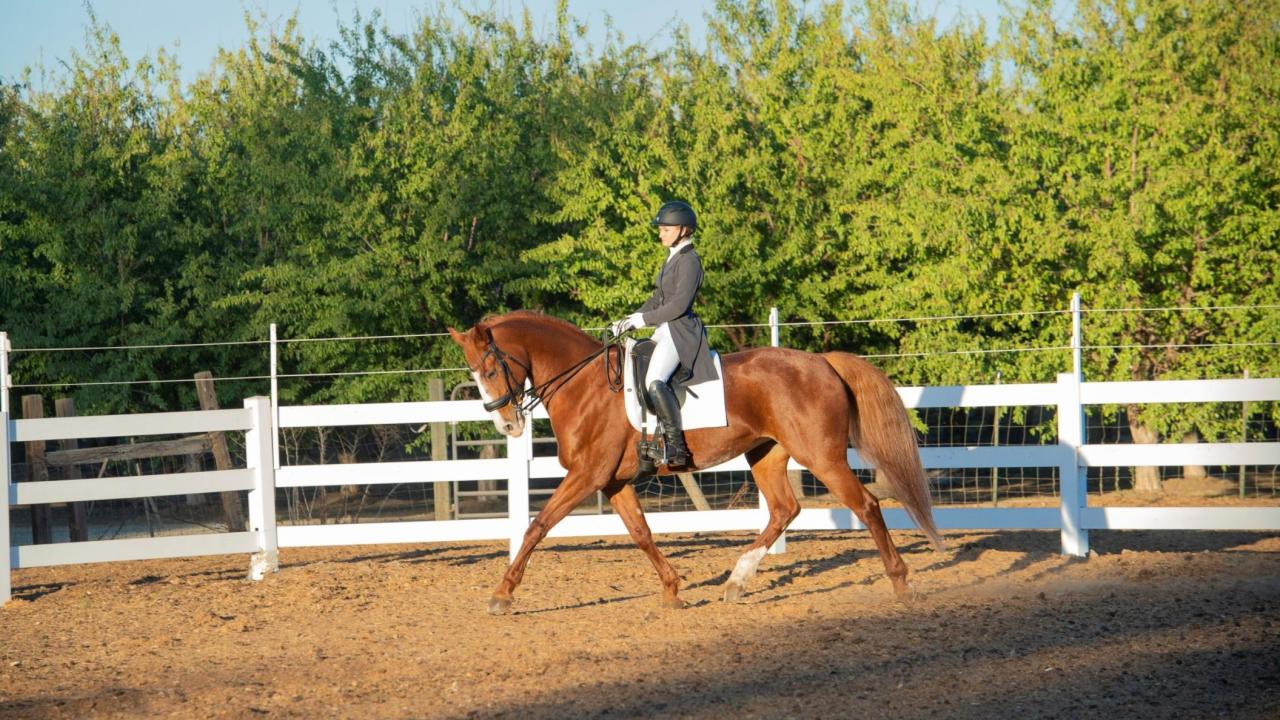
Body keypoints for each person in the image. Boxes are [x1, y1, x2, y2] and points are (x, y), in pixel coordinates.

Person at [611, 200, 719, 466]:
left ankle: (676, 447)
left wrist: (643, 320)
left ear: (683, 230)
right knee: (634, 370)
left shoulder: (690, 260)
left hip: (681, 332)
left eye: (666, 229)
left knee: (655, 380)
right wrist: (629, 319)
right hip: (665, 329)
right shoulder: (672, 258)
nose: (660, 233)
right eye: (661, 229)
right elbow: (659, 298)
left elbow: (679, 305)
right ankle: (649, 440)